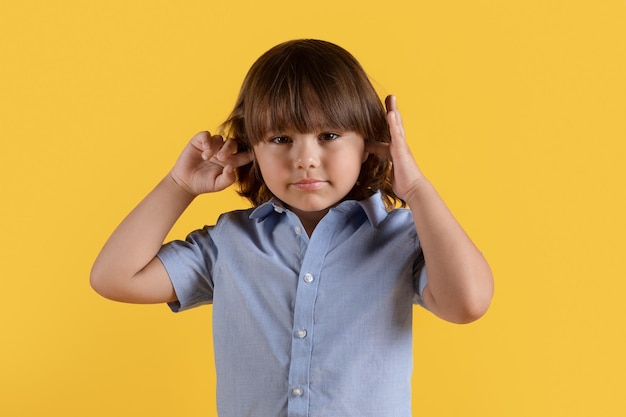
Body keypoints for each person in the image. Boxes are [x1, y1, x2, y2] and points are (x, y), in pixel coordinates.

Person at [91, 39, 494, 417]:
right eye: (281, 138)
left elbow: (467, 303)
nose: (305, 159)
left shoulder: (399, 239)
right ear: (250, 148)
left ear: (372, 140)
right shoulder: (229, 243)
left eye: (329, 135)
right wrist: (178, 186)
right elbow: (114, 277)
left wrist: (417, 189)